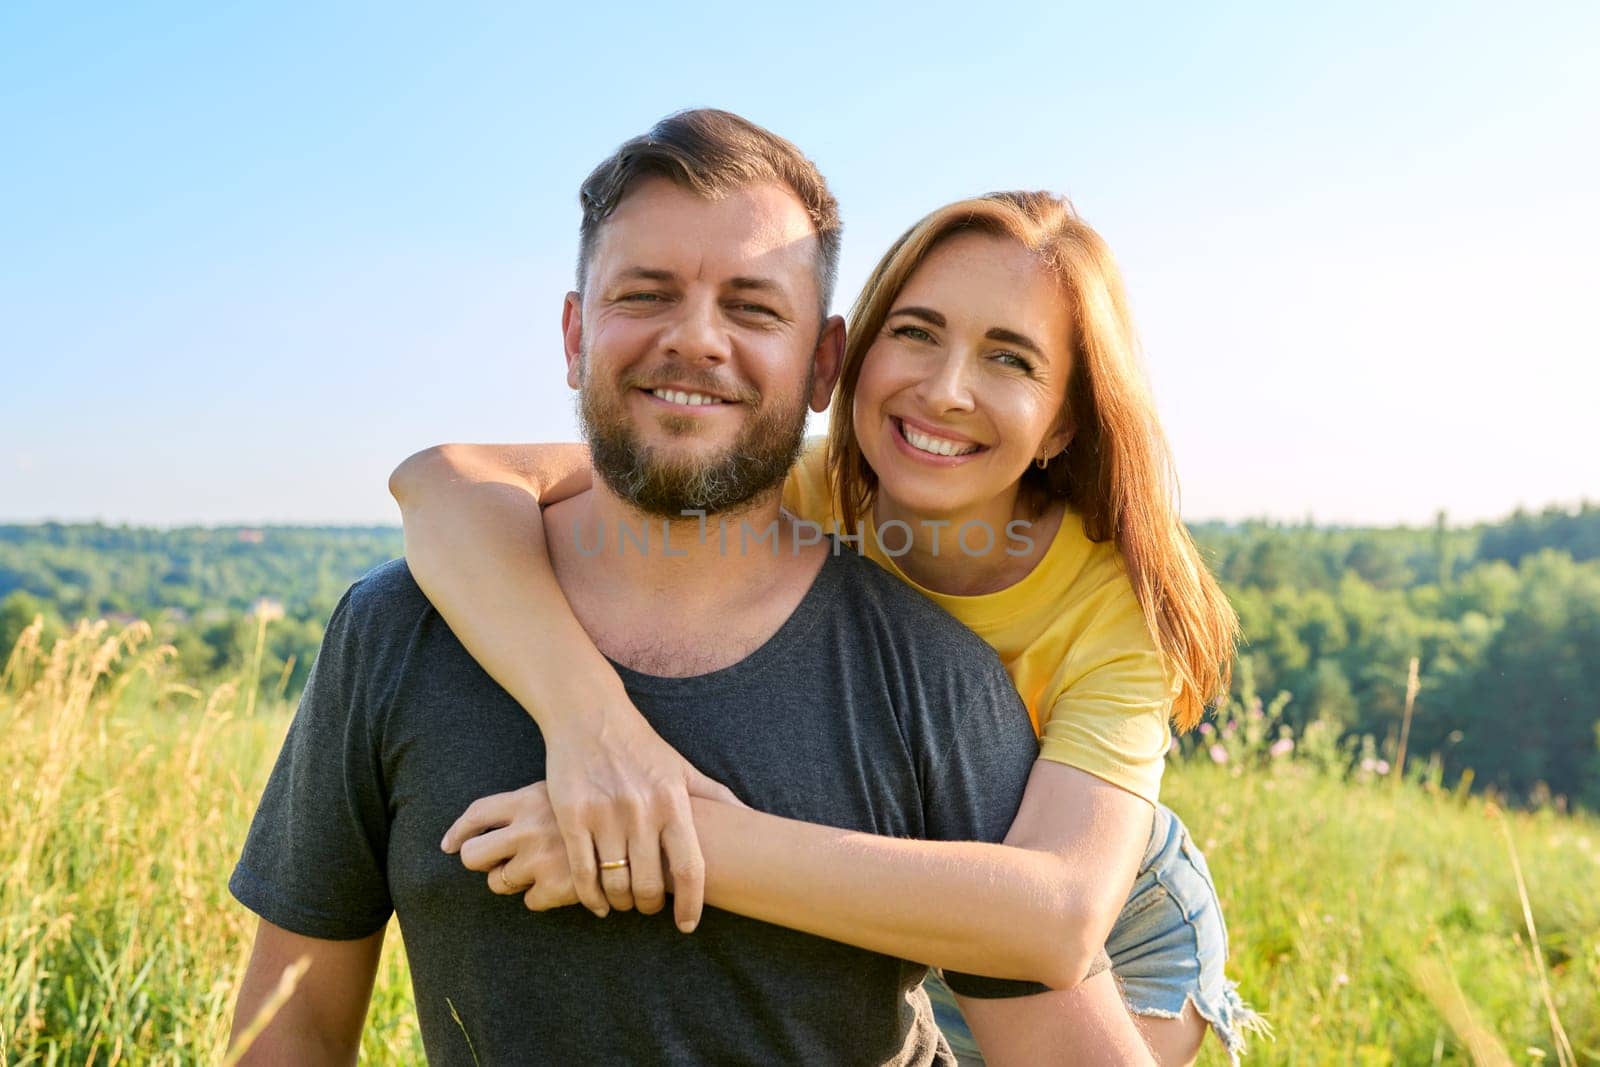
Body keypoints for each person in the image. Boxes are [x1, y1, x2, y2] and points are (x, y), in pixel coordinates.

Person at [228, 108, 1148, 1066]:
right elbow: (287, 1028)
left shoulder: (944, 680)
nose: (697, 340)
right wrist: (594, 727)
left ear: (823, 363)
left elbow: (1068, 964)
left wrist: (677, 837)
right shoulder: (398, 630)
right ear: (576, 331)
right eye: (647, 292)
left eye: (754, 307)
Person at [391, 171, 1268, 1062]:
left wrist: (653, 831)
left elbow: (1061, 917)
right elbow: (444, 481)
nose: (946, 389)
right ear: (848, 355)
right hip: (904, 921)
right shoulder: (800, 487)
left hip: (1118, 938)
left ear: (1060, 426)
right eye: (917, 333)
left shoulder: (1114, 609)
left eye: (1011, 358)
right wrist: (596, 733)